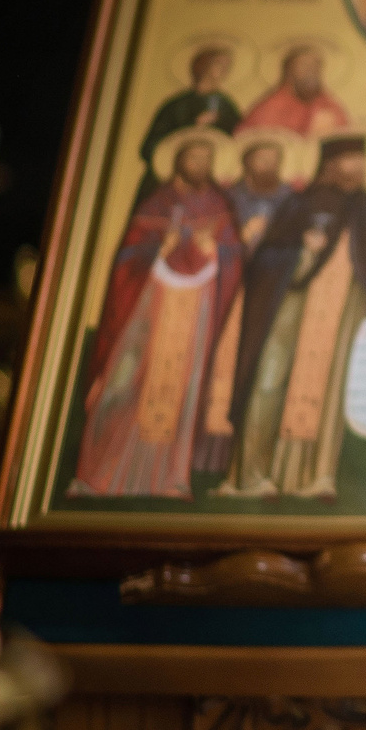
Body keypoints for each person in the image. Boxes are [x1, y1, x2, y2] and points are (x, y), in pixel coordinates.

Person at [215, 134, 366, 499]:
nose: (357, 171)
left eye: (361, 163)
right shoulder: (300, 205)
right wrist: (302, 253)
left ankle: (317, 477)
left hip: (344, 313)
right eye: (349, 163)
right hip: (290, 307)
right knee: (270, 379)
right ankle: (249, 476)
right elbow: (265, 262)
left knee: (329, 390)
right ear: (330, 166)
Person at [71, 127, 244, 498]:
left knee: (184, 390)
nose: (203, 164)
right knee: (127, 381)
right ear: (178, 160)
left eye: (208, 158)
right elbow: (128, 258)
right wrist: (159, 250)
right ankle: (100, 476)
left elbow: (232, 257)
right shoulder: (155, 205)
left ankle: (169, 478)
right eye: (195, 157)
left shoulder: (218, 205)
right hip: (148, 315)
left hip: (195, 318)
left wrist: (213, 249)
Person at [194, 128, 299, 482]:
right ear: (247, 160)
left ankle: (250, 459)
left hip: (270, 301)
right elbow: (215, 241)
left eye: (275, 157)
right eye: (262, 157)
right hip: (232, 295)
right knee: (220, 371)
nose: (269, 163)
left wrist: (270, 239)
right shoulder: (229, 198)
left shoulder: (290, 199)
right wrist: (241, 239)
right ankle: (209, 458)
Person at [136, 43, 242, 169]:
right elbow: (149, 149)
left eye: (227, 66)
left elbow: (237, 142)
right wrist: (193, 126)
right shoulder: (176, 105)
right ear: (203, 66)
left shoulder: (226, 105)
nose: (224, 69)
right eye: (218, 64)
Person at [240, 44, 351, 137]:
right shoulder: (270, 107)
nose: (310, 71)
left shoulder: (329, 105)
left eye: (315, 66)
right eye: (303, 65)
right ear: (288, 71)